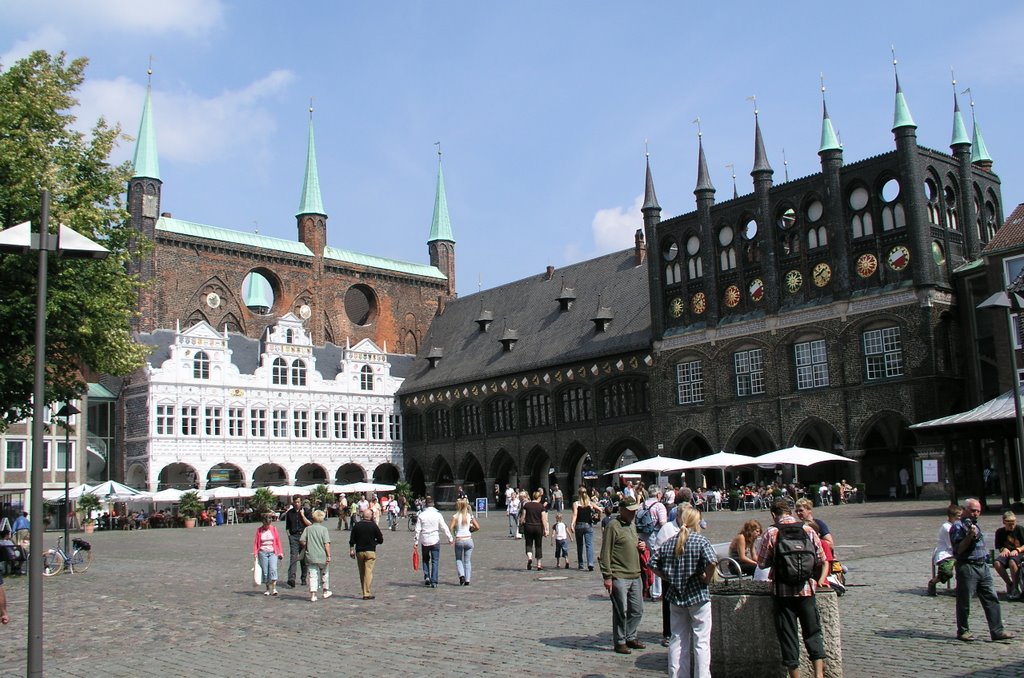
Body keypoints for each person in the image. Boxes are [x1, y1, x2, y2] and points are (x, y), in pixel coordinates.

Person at [756, 499, 828, 678]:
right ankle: (818, 675)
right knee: (813, 632)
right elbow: (820, 558)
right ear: (791, 512)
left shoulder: (772, 532)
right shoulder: (808, 529)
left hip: (783, 592)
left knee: (788, 636)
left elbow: (762, 563)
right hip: (807, 590)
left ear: (774, 514)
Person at [650, 507, 717, 678]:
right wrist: (707, 578)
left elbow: (652, 563)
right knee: (701, 642)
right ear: (696, 522)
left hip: (676, 597)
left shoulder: (670, 541)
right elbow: (712, 562)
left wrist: (668, 577)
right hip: (698, 595)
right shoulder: (700, 541)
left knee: (677, 640)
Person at [950, 498, 1014, 642]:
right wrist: (969, 536)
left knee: (991, 599)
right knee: (964, 601)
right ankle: (963, 631)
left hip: (982, 566)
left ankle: (997, 631)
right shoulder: (958, 526)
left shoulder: (974, 526)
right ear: (965, 510)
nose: (976, 514)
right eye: (973, 510)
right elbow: (958, 550)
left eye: (978, 511)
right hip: (967, 566)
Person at [600, 496, 646, 655]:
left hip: (635, 573)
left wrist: (642, 545)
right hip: (619, 574)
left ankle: (630, 636)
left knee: (638, 610)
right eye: (630, 511)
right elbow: (605, 551)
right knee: (621, 611)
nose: (633, 514)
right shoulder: (613, 526)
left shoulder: (632, 525)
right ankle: (620, 641)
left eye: (635, 511)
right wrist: (607, 576)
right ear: (622, 510)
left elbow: (634, 542)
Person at [414, 496, 452, 587]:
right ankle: (434, 581)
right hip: (435, 539)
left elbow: (417, 529)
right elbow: (444, 527)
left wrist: (416, 542)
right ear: (433, 504)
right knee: (435, 561)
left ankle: (427, 576)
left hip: (425, 540)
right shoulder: (437, 514)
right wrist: (450, 538)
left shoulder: (421, 515)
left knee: (425, 559)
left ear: (425, 504)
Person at [639, 485, 668, 600]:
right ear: (658, 494)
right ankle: (657, 592)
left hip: (642, 536)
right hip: (654, 536)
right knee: (656, 563)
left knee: (645, 564)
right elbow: (662, 523)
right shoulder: (659, 506)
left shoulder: (642, 504)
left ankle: (647, 590)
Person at [927, 504, 961, 596]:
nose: (960, 518)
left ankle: (960, 588)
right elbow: (951, 544)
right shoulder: (947, 528)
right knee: (946, 572)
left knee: (964, 567)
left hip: (956, 553)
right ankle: (933, 582)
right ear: (951, 516)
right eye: (958, 516)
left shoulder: (957, 526)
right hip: (946, 554)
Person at [350, 508, 384, 599]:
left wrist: (351, 550)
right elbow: (381, 540)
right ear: (371, 516)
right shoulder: (373, 526)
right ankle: (366, 593)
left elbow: (352, 539)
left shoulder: (357, 526)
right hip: (370, 551)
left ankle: (364, 591)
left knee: (362, 573)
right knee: (368, 572)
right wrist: (375, 542)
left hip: (359, 551)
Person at [300, 509, 332, 602]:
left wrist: (306, 545)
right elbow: (326, 544)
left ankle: (313, 594)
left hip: (311, 555)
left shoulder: (308, 529)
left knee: (312, 574)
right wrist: (329, 555)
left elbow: (302, 540)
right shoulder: (324, 529)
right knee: (325, 573)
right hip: (322, 555)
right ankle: (325, 591)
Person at [283, 495, 312, 588]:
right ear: (293, 502)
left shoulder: (306, 511)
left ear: (301, 502)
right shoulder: (289, 513)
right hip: (294, 537)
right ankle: (291, 578)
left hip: (304, 536)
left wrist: (303, 516)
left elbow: (310, 524)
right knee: (293, 557)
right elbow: (287, 527)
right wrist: (290, 537)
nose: (296, 504)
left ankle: (303, 578)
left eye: (298, 502)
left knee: (303, 558)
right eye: (295, 502)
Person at [993, 511, 1024, 598]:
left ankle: (1015, 587)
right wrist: (1003, 549)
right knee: (997, 563)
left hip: (1019, 553)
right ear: (1004, 522)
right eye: (1009, 523)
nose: (1011, 526)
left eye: (1013, 523)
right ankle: (1010, 584)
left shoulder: (1020, 529)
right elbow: (999, 546)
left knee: (1012, 561)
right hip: (1007, 553)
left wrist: (1018, 550)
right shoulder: (1000, 532)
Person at [253, 512, 284, 596]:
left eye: (268, 524)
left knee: (273, 569)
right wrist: (255, 553)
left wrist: (280, 552)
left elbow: (278, 542)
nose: (267, 526)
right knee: (265, 571)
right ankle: (267, 588)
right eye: (265, 524)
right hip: (262, 552)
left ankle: (274, 588)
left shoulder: (273, 529)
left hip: (272, 552)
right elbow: (256, 543)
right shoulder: (259, 530)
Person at [449, 498, 480, 585]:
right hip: (468, 540)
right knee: (467, 561)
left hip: (459, 539)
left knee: (459, 559)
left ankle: (461, 576)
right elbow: (477, 527)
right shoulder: (470, 516)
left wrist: (453, 533)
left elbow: (450, 527)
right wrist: (471, 530)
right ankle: (467, 580)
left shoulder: (455, 516)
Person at [520, 489, 550, 570]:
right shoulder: (541, 506)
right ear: (539, 497)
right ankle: (539, 564)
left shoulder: (527, 505)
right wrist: (546, 529)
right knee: (538, 545)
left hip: (528, 526)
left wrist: (521, 523)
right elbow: (544, 519)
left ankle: (530, 558)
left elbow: (523, 516)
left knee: (528, 544)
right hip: (538, 527)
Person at [571, 486, 597, 571]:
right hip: (588, 525)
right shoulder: (590, 503)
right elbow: (600, 509)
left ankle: (581, 564)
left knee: (580, 545)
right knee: (589, 545)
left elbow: (575, 514)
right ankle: (590, 563)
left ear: (578, 494)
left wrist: (572, 524)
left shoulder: (576, 503)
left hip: (579, 525)